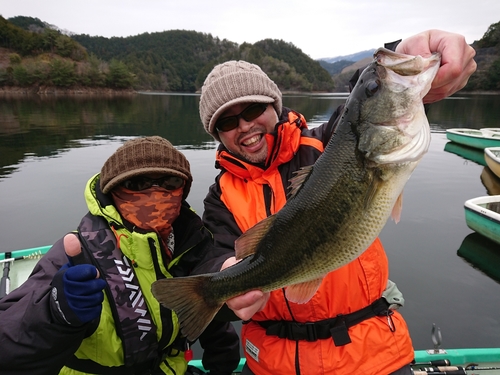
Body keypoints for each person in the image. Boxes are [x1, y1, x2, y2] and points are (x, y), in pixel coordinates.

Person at [196, 30, 477, 375]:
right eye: (227, 121)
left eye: (254, 109)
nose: (245, 125)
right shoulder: (219, 197)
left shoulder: (329, 142)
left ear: (274, 106)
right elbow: (212, 259)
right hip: (275, 364)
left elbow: (363, 108)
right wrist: (226, 280)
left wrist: (401, 53)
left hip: (372, 356)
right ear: (217, 133)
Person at [0, 136, 240, 375]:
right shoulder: (77, 253)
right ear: (112, 190)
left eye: (170, 181)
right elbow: (9, 348)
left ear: (183, 191)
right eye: (137, 184)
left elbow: (207, 316)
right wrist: (55, 312)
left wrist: (222, 364)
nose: (155, 192)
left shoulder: (191, 246)